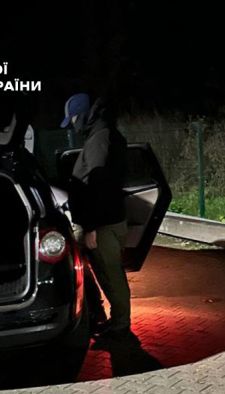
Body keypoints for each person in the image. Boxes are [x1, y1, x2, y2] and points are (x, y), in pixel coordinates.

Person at [61, 93, 132, 343]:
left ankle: (121, 327)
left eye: (73, 119)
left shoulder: (100, 139)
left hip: (103, 224)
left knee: (111, 275)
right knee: (110, 274)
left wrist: (91, 226)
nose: (73, 125)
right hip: (108, 219)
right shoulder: (105, 135)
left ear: (83, 116)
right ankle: (118, 321)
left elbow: (97, 183)